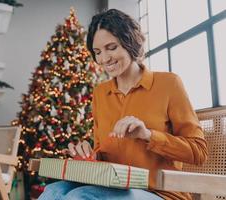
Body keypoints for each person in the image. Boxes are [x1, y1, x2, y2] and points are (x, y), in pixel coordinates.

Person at [38, 9, 208, 200]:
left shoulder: (169, 84)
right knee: (52, 192)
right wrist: (90, 156)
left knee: (80, 197)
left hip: (161, 192)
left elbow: (199, 152)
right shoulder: (100, 93)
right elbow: (105, 152)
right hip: (114, 187)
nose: (104, 59)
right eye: (98, 52)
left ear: (130, 42)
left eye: (111, 47)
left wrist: (147, 135)